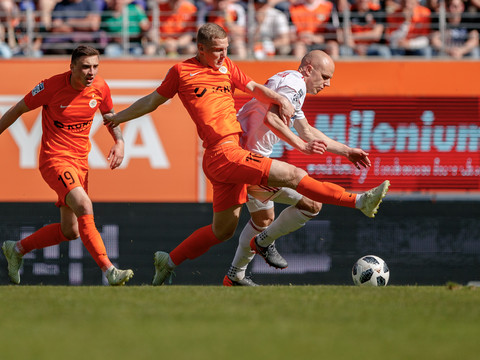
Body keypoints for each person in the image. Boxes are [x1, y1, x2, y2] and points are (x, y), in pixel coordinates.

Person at [103, 23, 389, 286]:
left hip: (229, 155)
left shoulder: (227, 66)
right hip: (224, 152)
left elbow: (253, 87)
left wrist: (279, 101)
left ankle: (169, 260)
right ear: (200, 49)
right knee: (293, 177)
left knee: (223, 230)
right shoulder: (181, 72)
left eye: (226, 49)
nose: (222, 55)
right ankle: (359, 201)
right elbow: (153, 101)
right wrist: (119, 118)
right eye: (216, 50)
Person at [223, 50, 373, 286]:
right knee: (310, 204)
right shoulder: (295, 83)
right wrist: (302, 147)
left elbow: (307, 130)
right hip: (249, 162)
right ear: (309, 69)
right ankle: (262, 244)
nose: (328, 83)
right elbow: (271, 120)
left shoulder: (290, 86)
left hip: (244, 159)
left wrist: (346, 151)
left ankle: (235, 275)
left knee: (262, 219)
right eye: (324, 76)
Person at [0, 45, 134, 286]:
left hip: (81, 162)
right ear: (71, 67)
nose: (91, 72)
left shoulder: (100, 88)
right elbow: (19, 108)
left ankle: (17, 249)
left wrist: (120, 142)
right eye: (85, 67)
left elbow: (110, 116)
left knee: (70, 230)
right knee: (84, 204)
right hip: (55, 159)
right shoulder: (50, 87)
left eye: (95, 66)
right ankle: (109, 269)